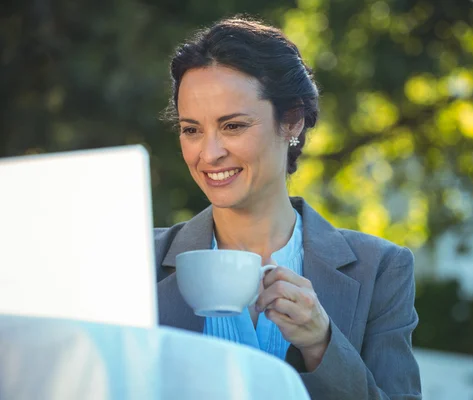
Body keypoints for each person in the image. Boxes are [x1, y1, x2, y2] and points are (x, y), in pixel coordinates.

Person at [154, 16, 422, 400]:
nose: (209, 154)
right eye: (191, 129)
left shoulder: (380, 270)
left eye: (233, 126)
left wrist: (322, 344)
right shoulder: (137, 265)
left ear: (292, 122)